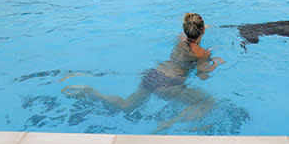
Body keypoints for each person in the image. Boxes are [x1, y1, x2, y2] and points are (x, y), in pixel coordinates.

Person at [61, 13, 223, 132]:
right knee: (208, 102)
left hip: (153, 75)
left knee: (127, 106)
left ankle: (92, 92)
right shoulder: (202, 53)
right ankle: (169, 124)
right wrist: (214, 63)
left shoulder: (180, 39)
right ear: (202, 30)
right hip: (170, 84)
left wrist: (199, 28)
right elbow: (202, 76)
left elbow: (188, 32)